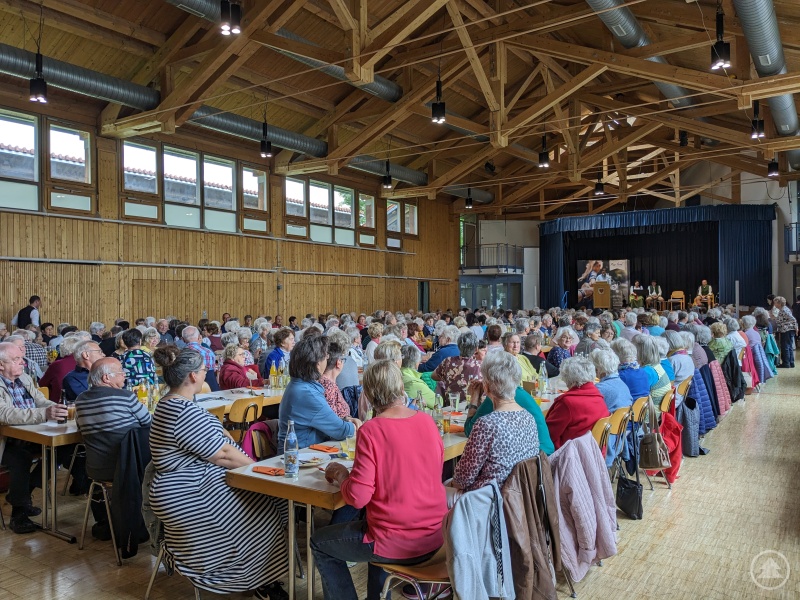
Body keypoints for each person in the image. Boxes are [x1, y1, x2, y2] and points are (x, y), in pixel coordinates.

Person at [148, 346, 288, 598]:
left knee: (267, 502)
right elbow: (224, 454)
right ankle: (255, 577)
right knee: (265, 503)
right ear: (192, 376)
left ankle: (262, 575)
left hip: (189, 486)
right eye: (203, 370)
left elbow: (215, 440)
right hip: (190, 493)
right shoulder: (182, 410)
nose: (206, 373)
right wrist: (256, 470)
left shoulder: (170, 403)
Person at [311, 360, 448, 600]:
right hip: (436, 536)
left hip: (396, 539)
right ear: (400, 386)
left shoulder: (372, 430)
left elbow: (358, 498)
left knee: (319, 542)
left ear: (370, 394)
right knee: (372, 528)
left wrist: (342, 474)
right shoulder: (427, 422)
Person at [0, 342, 67, 533]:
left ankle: (22, 493)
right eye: (16, 359)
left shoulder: (25, 378)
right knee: (20, 458)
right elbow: (5, 414)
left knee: (62, 448)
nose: (23, 362)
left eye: (21, 358)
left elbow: (41, 400)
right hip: (5, 442)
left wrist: (56, 408)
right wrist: (44, 413)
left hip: (30, 435)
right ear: (1, 365)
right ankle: (19, 513)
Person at [453, 351, 540, 493]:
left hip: (490, 500)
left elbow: (462, 480)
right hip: (520, 498)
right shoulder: (528, 417)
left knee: (440, 490)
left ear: (486, 387)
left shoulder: (487, 424)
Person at [277, 334, 360, 450]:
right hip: (300, 458)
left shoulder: (299, 385)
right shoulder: (307, 393)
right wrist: (355, 424)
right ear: (316, 364)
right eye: (325, 356)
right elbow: (343, 431)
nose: (327, 359)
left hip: (305, 453)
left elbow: (327, 422)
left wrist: (346, 420)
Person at [545, 355, 610, 450]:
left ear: (570, 378)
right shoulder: (598, 397)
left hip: (573, 456)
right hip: (595, 452)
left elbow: (548, 434)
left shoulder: (568, 403)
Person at [591, 349, 633, 467]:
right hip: (619, 436)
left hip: (604, 438)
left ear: (600, 370)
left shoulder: (600, 389)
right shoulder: (622, 384)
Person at [431, 330, 482, 402]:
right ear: (476, 349)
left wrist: (450, 377)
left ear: (458, 346)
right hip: (472, 405)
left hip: (451, 404)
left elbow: (433, 376)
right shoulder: (480, 365)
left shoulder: (448, 361)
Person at [632, 335, 671, 408]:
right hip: (657, 410)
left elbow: (636, 395)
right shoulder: (656, 365)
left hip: (649, 414)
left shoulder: (647, 371)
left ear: (641, 352)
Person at [319, 339, 352, 418]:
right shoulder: (328, 386)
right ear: (338, 363)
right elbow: (331, 419)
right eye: (342, 359)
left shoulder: (326, 382)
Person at [182, 326, 219, 391]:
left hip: (190, 389)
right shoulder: (209, 352)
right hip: (211, 388)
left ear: (182, 339)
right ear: (199, 337)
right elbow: (214, 371)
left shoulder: (182, 354)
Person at [400, 344, 435, 409]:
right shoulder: (414, 383)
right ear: (416, 364)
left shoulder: (394, 375)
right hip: (421, 416)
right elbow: (438, 402)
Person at [772, 296, 798, 368]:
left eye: (775, 302)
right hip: (788, 329)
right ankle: (791, 362)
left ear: (779, 303)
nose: (774, 304)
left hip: (787, 330)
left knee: (785, 346)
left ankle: (786, 363)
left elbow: (793, 319)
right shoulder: (784, 309)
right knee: (789, 346)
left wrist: (796, 328)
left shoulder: (784, 310)